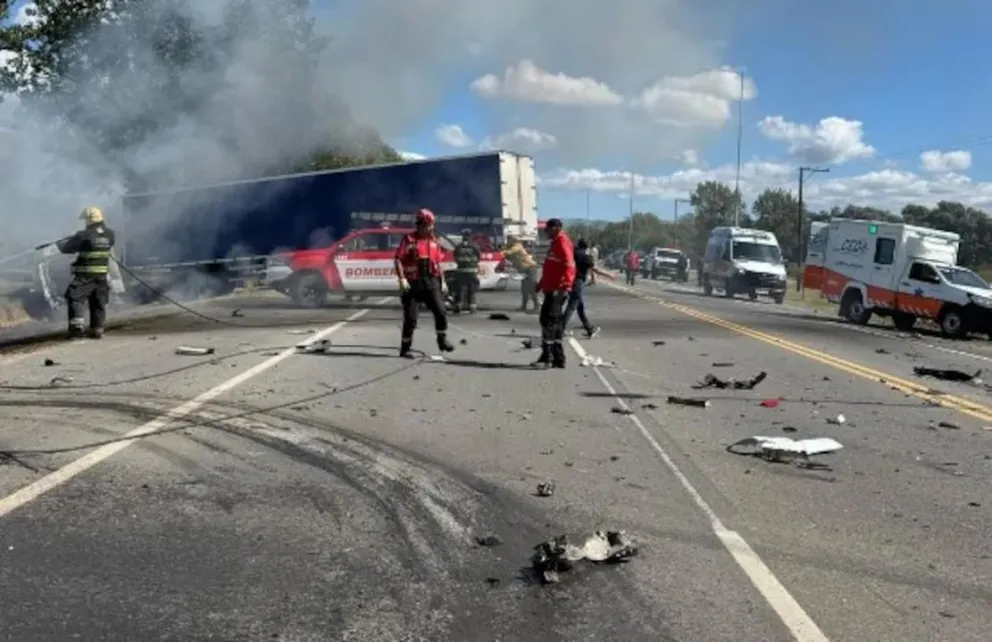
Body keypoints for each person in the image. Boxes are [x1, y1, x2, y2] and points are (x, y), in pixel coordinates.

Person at [394, 208, 455, 357]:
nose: (431, 228)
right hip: (412, 283)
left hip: (431, 281)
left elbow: (438, 263)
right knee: (411, 318)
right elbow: (398, 259)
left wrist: (443, 282)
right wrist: (402, 279)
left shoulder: (434, 241)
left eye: (431, 225)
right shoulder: (408, 239)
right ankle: (405, 348)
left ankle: (442, 339)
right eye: (428, 225)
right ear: (421, 225)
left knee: (441, 311)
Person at [55, 206, 116, 339]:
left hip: (85, 276)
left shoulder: (83, 235)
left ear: (88, 220)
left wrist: (60, 243)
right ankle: (97, 329)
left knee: (74, 296)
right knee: (97, 300)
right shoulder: (110, 234)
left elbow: (66, 249)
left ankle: (77, 329)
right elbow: (99, 241)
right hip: (101, 276)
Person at [533, 218, 575, 368]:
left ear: (556, 228)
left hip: (558, 290)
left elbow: (569, 266)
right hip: (551, 289)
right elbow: (550, 268)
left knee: (549, 322)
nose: (545, 231)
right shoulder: (555, 243)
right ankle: (558, 357)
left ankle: (549, 357)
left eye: (548, 229)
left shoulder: (562, 242)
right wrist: (540, 285)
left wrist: (564, 286)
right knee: (552, 322)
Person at [562, 238, 600, 338]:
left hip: (570, 280)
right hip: (578, 282)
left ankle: (589, 329)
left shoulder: (573, 253)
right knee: (572, 306)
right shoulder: (586, 256)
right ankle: (560, 329)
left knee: (579, 307)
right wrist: (609, 275)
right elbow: (594, 269)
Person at [503, 235, 539, 312]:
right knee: (524, 289)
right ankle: (524, 307)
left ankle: (537, 306)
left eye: (509, 240)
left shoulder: (517, 246)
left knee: (531, 288)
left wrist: (501, 251)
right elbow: (507, 257)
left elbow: (507, 253)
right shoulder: (512, 247)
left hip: (530, 268)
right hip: (524, 270)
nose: (507, 242)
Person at [452, 228, 481, 313]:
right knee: (472, 289)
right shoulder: (475, 246)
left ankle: (458, 306)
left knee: (459, 289)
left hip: (461, 271)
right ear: (470, 236)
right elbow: (479, 257)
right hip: (472, 271)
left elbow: (455, 257)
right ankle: (472, 307)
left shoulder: (458, 247)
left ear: (463, 236)